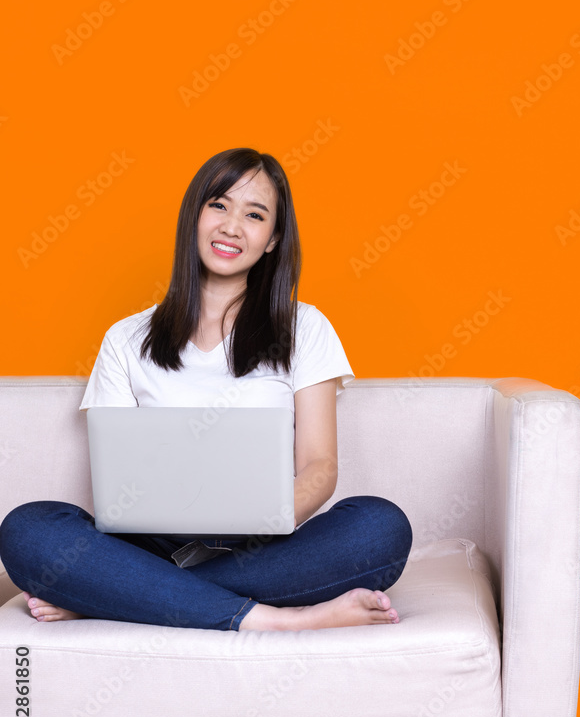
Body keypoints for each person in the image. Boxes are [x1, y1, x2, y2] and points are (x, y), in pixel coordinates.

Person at [0, 148, 413, 632]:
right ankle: (271, 620)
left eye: (254, 214)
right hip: (149, 542)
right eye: (219, 205)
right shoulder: (125, 339)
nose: (232, 226)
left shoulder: (306, 328)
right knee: (28, 530)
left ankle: (124, 593)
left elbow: (319, 467)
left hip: (261, 546)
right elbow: (116, 482)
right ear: (194, 214)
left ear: (273, 238)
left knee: (379, 526)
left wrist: (264, 516)